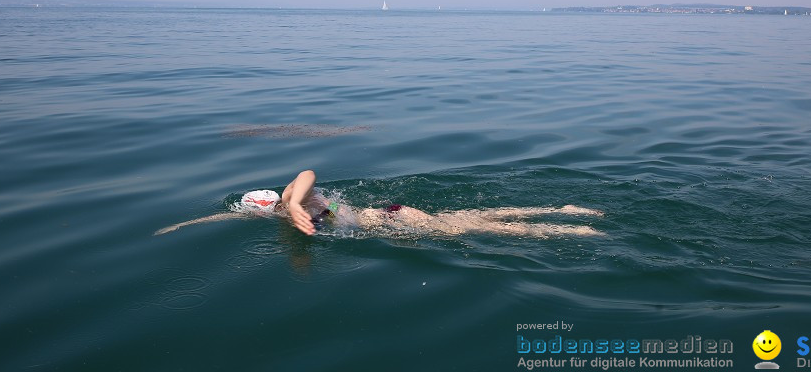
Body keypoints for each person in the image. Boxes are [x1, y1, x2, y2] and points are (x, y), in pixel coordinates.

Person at [154, 169, 604, 237]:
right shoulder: (285, 205)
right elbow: (223, 213)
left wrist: (293, 207)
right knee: (468, 217)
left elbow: (304, 176)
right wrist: (180, 225)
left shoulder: (297, 200)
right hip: (390, 212)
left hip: (388, 220)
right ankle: (562, 213)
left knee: (471, 228)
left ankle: (564, 229)